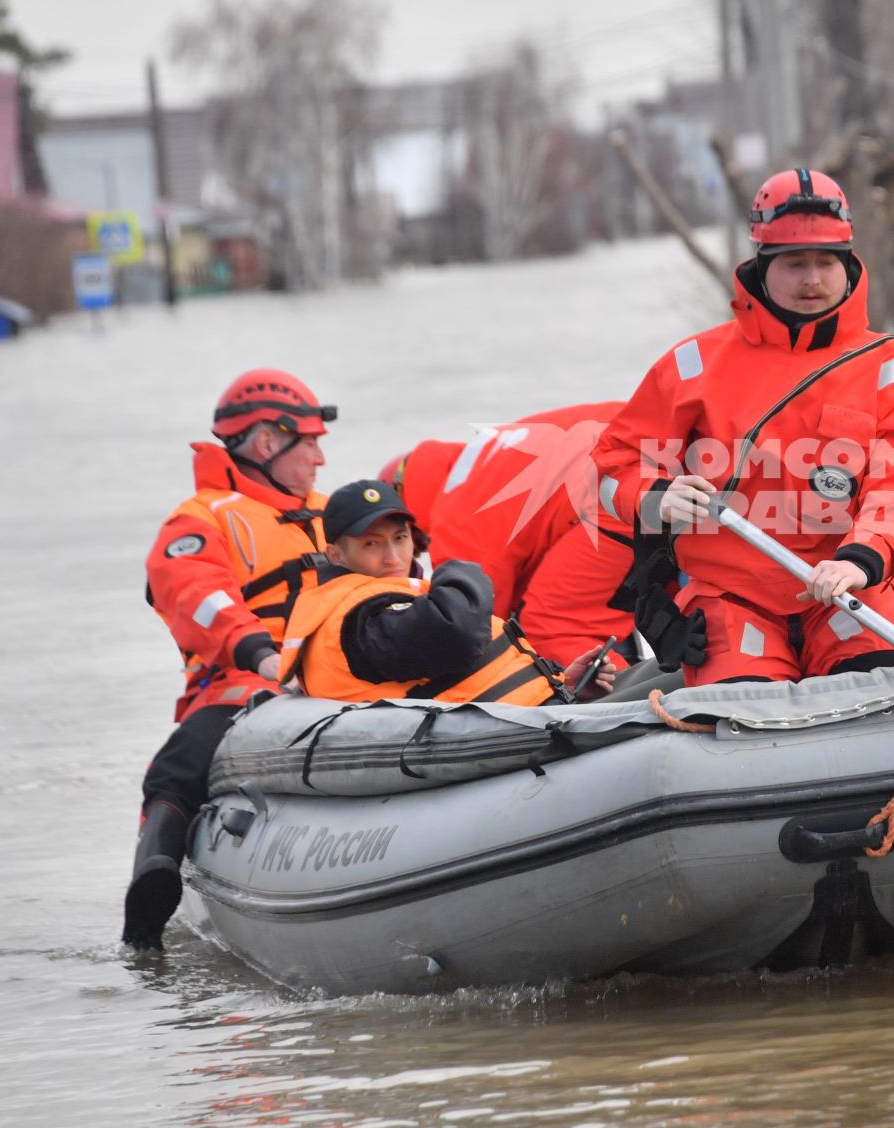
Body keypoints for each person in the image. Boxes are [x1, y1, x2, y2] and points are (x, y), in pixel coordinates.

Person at [593, 168, 894, 685]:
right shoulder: (692, 365)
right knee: (741, 719)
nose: (812, 279)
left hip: (843, 588)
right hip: (731, 595)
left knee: (888, 699)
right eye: (795, 264)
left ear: (848, 265)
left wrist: (861, 561)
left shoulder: (887, 368)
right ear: (761, 268)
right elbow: (612, 466)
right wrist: (655, 496)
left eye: (826, 262)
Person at [124, 368, 334, 951]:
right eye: (311, 441)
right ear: (268, 442)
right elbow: (195, 596)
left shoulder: (335, 515)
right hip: (242, 686)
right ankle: (150, 895)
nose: (320, 458)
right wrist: (262, 656)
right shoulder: (199, 520)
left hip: (345, 677)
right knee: (179, 765)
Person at [277, 479, 618, 705]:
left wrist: (563, 678)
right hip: (523, 732)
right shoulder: (358, 619)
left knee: (660, 677)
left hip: (544, 705)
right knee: (666, 684)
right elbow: (455, 631)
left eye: (400, 538)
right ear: (335, 555)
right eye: (371, 544)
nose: (393, 557)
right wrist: (459, 569)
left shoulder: (378, 599)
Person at [382, 401, 635, 670]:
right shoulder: (490, 454)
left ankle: (634, 707)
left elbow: (474, 628)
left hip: (622, 495)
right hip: (666, 456)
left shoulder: (455, 518)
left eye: (413, 542)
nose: (423, 550)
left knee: (554, 630)